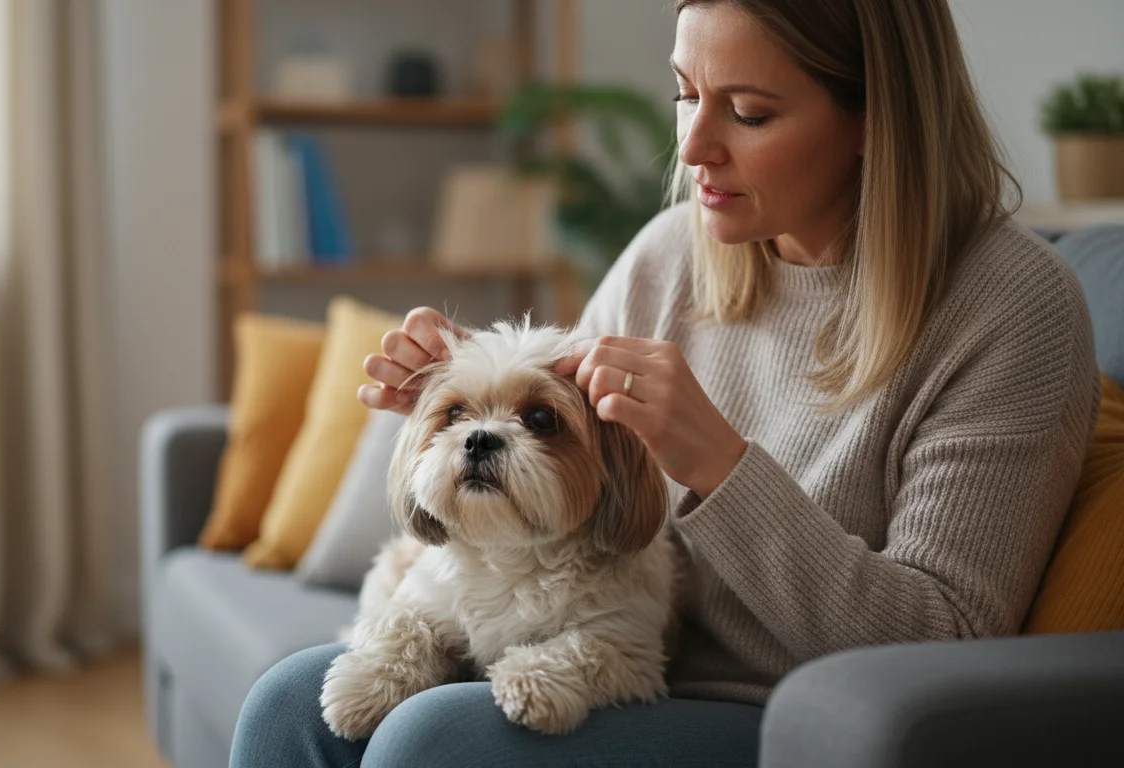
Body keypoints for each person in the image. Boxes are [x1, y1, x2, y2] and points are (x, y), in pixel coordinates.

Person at [229, 0, 1101, 765]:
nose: (691, 146)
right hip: (611, 663)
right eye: (686, 92)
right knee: (288, 708)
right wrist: (459, 381)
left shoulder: (1009, 310)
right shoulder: (674, 253)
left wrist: (722, 465)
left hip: (781, 720)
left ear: (880, 115)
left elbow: (941, 645)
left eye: (749, 112)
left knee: (437, 745)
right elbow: (559, 443)